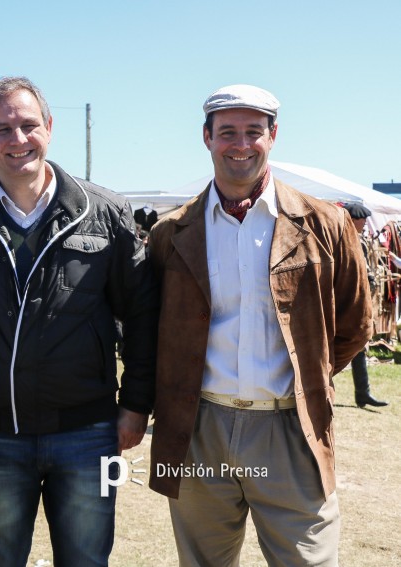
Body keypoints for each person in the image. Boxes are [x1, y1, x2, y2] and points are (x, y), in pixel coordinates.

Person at [147, 84, 372, 566]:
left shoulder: (324, 224)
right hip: (198, 429)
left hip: (292, 428)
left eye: (254, 131)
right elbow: (152, 329)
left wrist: (308, 377)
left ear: (273, 136)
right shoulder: (171, 232)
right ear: (207, 137)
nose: (241, 144)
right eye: (228, 132)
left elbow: (355, 324)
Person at [0, 76, 158, 567]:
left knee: (87, 560)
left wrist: (136, 404)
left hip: (89, 433)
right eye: (2, 129)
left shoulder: (105, 213)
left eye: (28, 125)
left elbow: (142, 314)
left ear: (50, 127)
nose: (17, 139)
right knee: (0, 560)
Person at [342, 201, 389, 408]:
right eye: (363, 220)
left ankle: (363, 393)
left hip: (358, 300)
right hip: (347, 302)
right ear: (354, 220)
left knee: (359, 346)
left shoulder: (357, 238)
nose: (365, 223)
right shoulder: (343, 239)